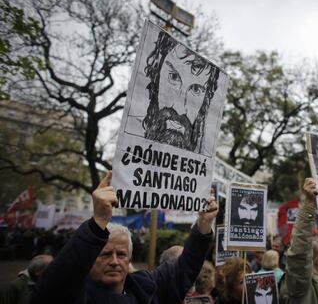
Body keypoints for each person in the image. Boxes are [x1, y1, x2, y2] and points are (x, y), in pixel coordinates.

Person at [31, 171, 218, 304]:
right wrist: (98, 221)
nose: (114, 261)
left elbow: (184, 268)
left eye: (121, 254)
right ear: (89, 259)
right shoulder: (74, 294)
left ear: (129, 258)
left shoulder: (145, 288)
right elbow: (53, 286)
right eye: (105, 254)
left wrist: (203, 225)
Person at [126, 28, 221, 155]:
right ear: (156, 75)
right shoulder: (130, 134)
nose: (180, 108)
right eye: (173, 77)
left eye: (196, 89)